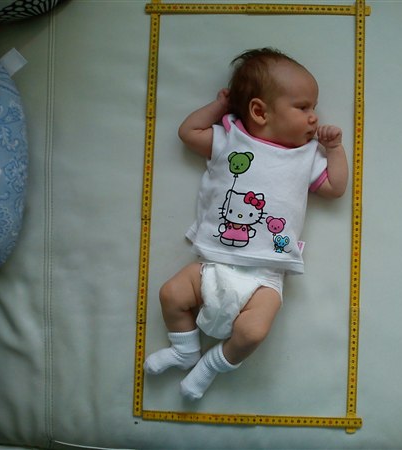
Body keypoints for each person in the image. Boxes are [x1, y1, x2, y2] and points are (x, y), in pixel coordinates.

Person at [144, 47, 349, 401]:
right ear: (259, 111)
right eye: (303, 107)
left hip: (266, 274)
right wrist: (220, 106)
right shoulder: (230, 140)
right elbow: (188, 132)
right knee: (171, 294)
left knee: (252, 333)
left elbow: (335, 187)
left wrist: (334, 150)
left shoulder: (305, 157)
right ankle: (184, 350)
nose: (314, 117)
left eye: (313, 108)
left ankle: (210, 365)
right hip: (213, 262)